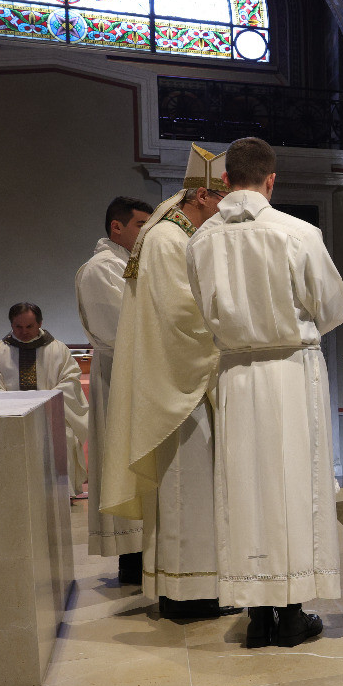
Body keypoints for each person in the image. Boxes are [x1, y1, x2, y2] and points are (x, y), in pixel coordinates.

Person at [186, 136, 343, 648]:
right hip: (290, 372)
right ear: (271, 180)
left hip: (235, 373)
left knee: (246, 488)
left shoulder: (201, 239)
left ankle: (256, 614)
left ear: (225, 179)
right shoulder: (296, 233)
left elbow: (201, 306)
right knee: (293, 486)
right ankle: (292, 613)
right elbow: (331, 308)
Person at [99, 145, 229, 619]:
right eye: (220, 200)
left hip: (181, 382)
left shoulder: (171, 233)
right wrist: (228, 334)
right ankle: (188, 595)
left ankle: (191, 588)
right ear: (200, 195)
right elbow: (181, 315)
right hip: (181, 388)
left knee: (191, 491)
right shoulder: (171, 240)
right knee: (186, 490)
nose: (224, 211)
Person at [75, 195, 152, 576]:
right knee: (124, 464)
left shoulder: (128, 264)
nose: (147, 232)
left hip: (139, 375)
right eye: (141, 224)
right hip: (120, 375)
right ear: (116, 227)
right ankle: (132, 560)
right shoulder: (102, 269)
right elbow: (127, 327)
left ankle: (143, 554)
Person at [0, 302, 89, 493]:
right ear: (11, 325)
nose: (24, 332)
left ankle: (61, 497)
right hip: (11, 419)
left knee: (64, 440)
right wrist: (14, 404)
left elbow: (71, 380)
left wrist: (45, 400)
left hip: (51, 417)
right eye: (18, 327)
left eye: (29, 326)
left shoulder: (58, 350)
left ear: (40, 323)